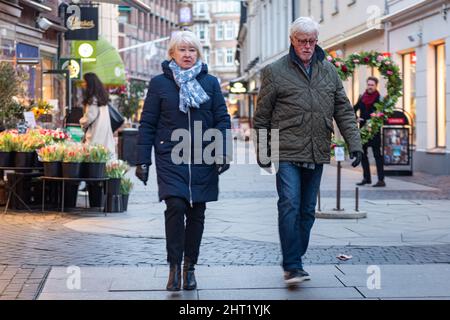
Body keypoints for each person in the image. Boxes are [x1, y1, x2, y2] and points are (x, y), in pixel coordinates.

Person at [253, 17, 363, 286]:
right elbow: (262, 116)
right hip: (286, 150)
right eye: (303, 41)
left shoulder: (329, 71)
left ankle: (294, 256)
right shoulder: (274, 72)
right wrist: (263, 151)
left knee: (306, 210)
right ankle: (292, 265)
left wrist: (355, 143)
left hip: (316, 150)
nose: (308, 46)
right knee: (289, 203)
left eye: (312, 41)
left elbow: (344, 110)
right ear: (292, 40)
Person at [135, 31, 231, 292]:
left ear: (198, 54)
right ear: (172, 54)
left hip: (203, 154)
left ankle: (190, 267)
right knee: (175, 206)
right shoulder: (159, 84)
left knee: (197, 212)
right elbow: (148, 123)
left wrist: (223, 150)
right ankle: (174, 266)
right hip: (170, 155)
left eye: (192, 50)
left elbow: (222, 119)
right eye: (182, 50)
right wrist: (142, 159)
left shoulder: (210, 83)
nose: (188, 54)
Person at [354, 77, 386, 187]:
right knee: (363, 155)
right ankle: (366, 178)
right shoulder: (362, 97)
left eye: (372, 85)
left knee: (377, 155)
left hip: (375, 131)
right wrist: (356, 118)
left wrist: (376, 118)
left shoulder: (380, 98)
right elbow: (353, 109)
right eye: (368, 84)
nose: (370, 87)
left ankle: (381, 180)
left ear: (376, 86)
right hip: (363, 131)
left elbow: (384, 114)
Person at [79, 72, 116, 158]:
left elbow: (88, 118)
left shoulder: (93, 101)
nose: (83, 84)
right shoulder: (102, 99)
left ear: (90, 84)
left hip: (95, 136)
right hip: (104, 137)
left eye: (85, 82)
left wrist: (81, 121)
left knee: (94, 161)